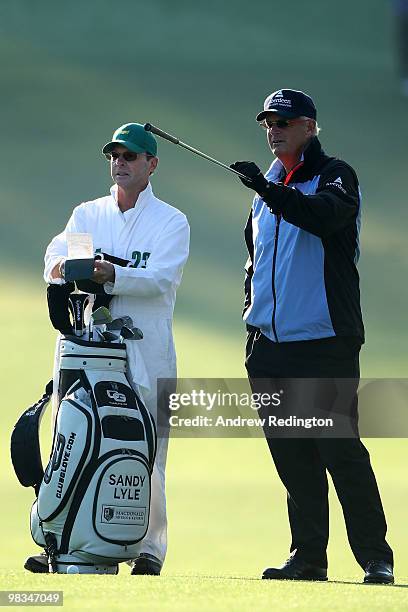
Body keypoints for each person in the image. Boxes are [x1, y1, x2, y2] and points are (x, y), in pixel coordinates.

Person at [230, 89, 394, 584]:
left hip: (324, 340)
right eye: (268, 123)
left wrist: (267, 190)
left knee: (338, 447)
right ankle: (308, 557)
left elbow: (323, 216)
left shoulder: (336, 174)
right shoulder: (270, 185)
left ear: (310, 127)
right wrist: (250, 317)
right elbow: (256, 262)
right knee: (291, 451)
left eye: (283, 121)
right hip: (270, 346)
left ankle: (375, 557)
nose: (273, 130)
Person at [25, 122, 190, 575]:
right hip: (86, 343)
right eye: (115, 155)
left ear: (152, 164)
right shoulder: (88, 214)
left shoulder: (171, 221)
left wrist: (107, 274)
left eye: (131, 156)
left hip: (146, 346)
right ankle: (63, 538)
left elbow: (160, 279)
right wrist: (64, 266)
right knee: (72, 435)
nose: (120, 162)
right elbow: (58, 257)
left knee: (149, 445)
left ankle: (149, 549)